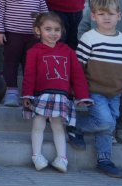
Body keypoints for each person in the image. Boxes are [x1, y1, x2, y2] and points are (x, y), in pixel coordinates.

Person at [21, 13, 90, 173]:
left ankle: (62, 158)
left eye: (57, 30)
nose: (53, 33)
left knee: (58, 126)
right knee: (38, 124)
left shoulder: (67, 51)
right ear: (38, 31)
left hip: (61, 95)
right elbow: (29, 74)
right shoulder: (34, 51)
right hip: (41, 95)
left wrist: (82, 95)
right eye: (48, 29)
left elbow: (77, 75)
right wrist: (27, 95)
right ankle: (36, 156)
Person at [73, 0, 122, 178]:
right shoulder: (89, 38)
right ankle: (76, 125)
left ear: (119, 16)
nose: (107, 17)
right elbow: (78, 67)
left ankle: (104, 159)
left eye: (111, 14)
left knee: (109, 125)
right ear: (93, 16)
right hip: (94, 91)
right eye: (101, 13)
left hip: (116, 92)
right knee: (106, 122)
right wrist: (78, 92)